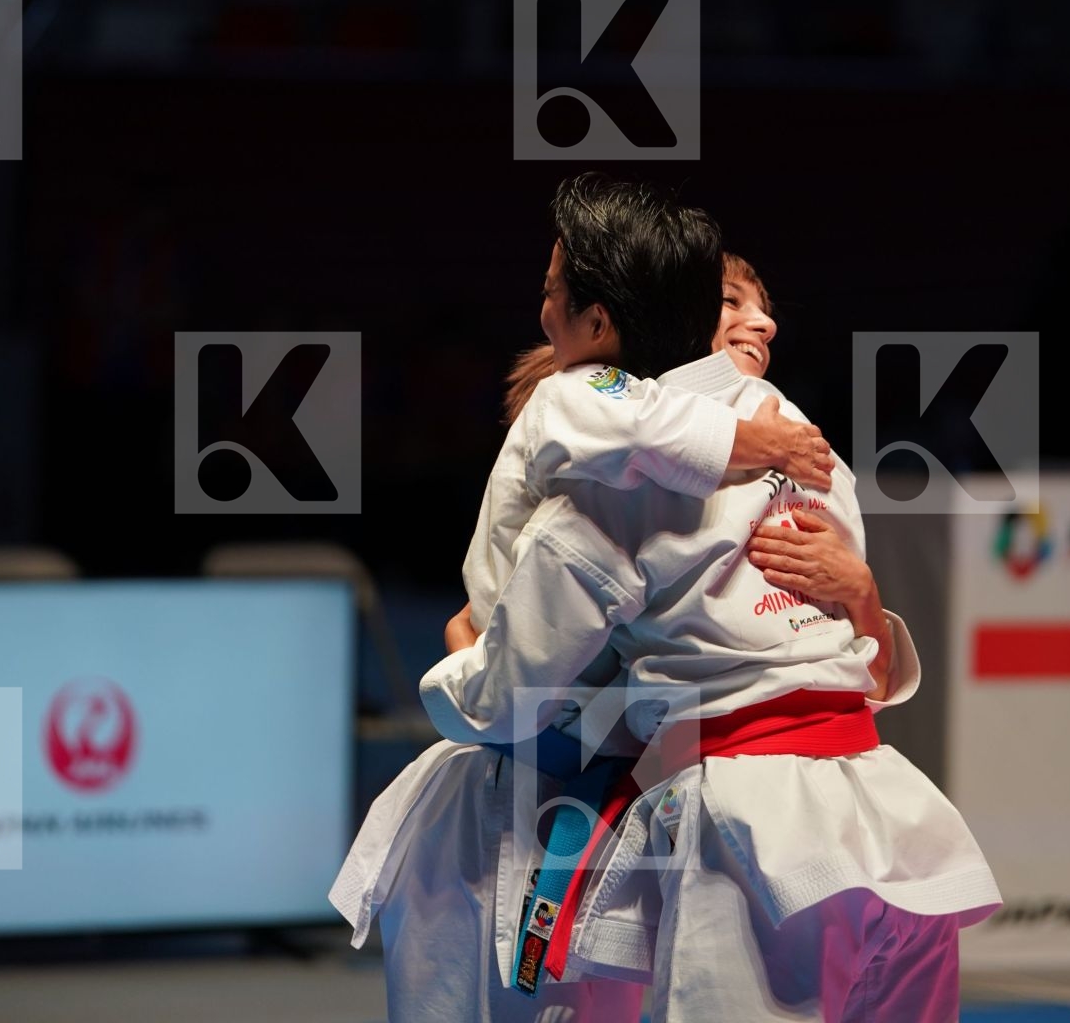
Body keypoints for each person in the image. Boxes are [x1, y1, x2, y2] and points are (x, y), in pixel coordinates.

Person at [420, 264, 1001, 1021]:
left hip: (816, 793)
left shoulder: (805, 454)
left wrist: (862, 596)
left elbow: (844, 671)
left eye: (764, 307)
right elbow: (524, 679)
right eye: (733, 303)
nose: (763, 323)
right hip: (599, 797)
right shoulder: (603, 454)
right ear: (668, 320)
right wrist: (480, 657)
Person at [333, 176, 844, 1022]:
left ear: (600, 319)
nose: (540, 311)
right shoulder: (597, 405)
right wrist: (746, 439)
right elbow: (636, 422)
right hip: (518, 758)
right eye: (729, 304)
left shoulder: (724, 438)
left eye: (550, 294)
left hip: (603, 774)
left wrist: (857, 593)